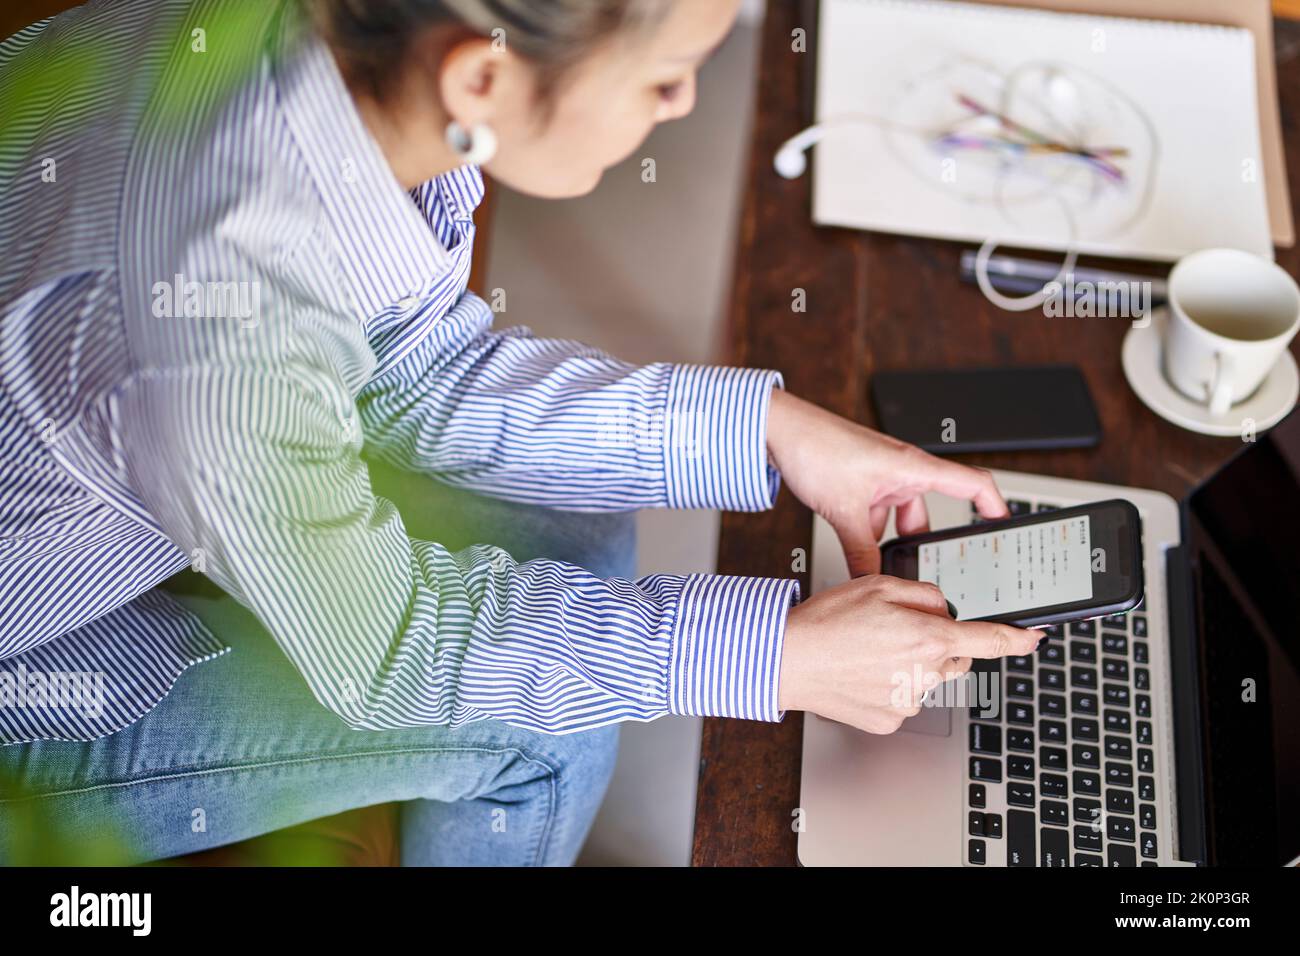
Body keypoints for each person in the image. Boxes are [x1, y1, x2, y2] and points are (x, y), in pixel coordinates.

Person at [0, 0, 1039, 865]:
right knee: (545, 729)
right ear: (481, 81)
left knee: (572, 529)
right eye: (666, 76)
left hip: (130, 476)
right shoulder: (222, 321)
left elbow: (414, 366)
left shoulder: (314, 65)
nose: (680, 103)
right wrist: (769, 656)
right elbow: (391, 648)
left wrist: (772, 427)